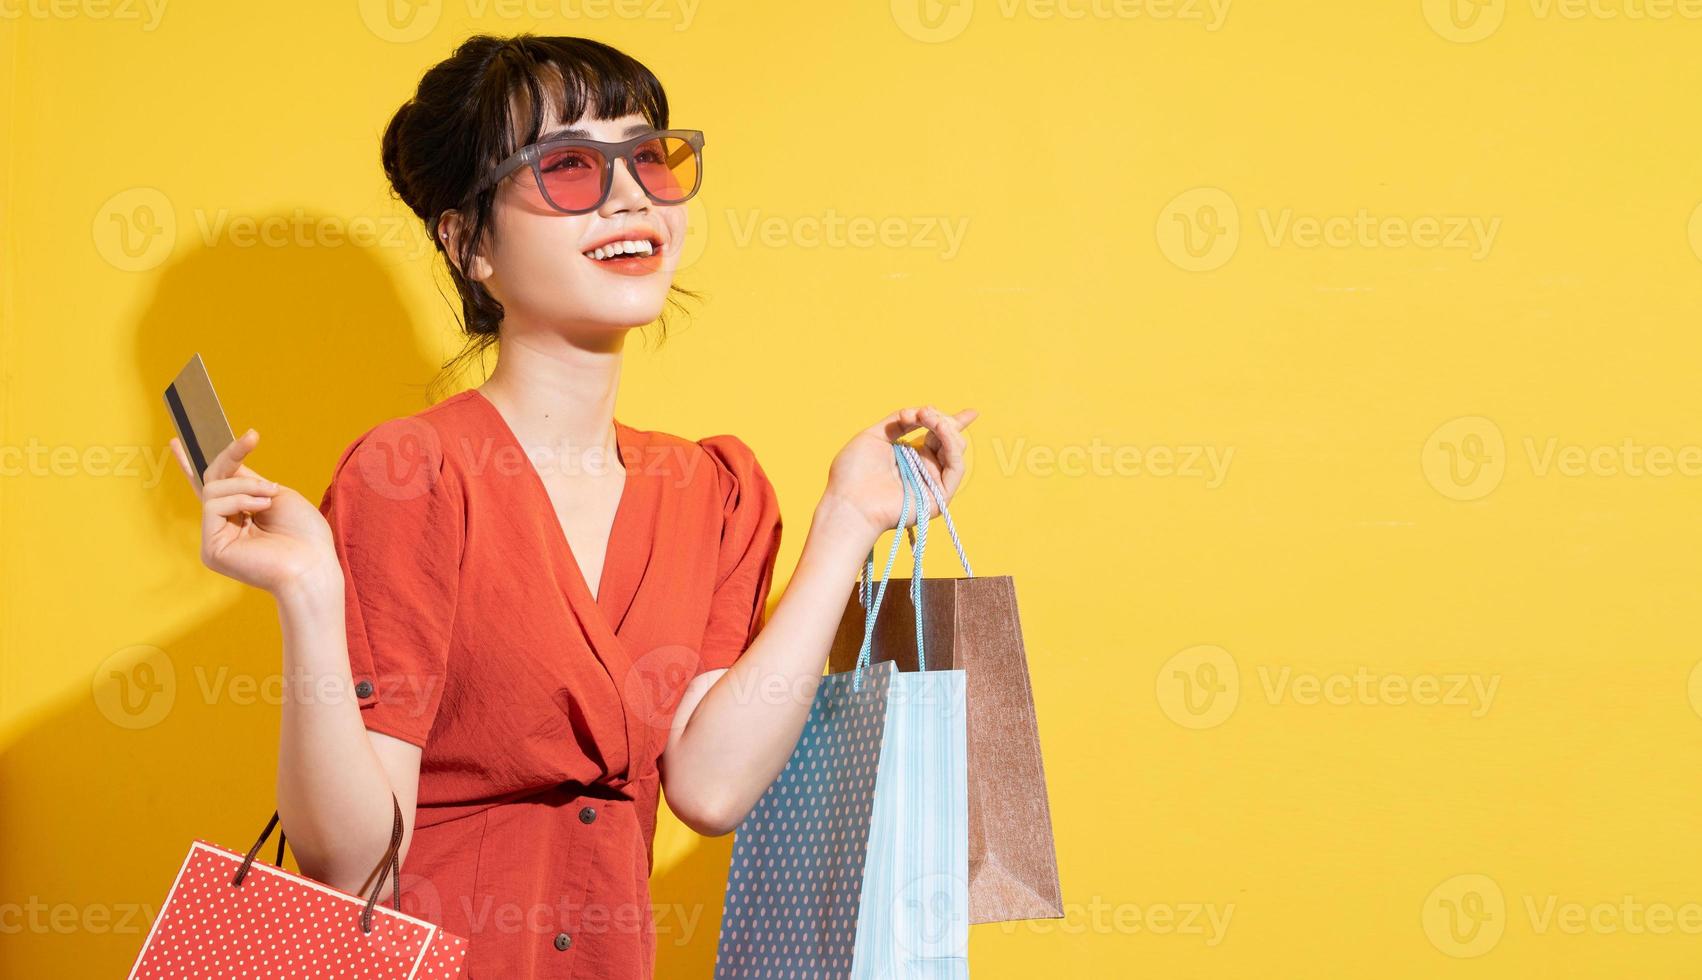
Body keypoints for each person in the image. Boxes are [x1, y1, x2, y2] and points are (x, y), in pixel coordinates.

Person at [167, 32, 975, 979]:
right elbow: (348, 869)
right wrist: (308, 593)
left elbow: (712, 789)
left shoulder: (713, 492)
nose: (630, 195)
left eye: (650, 159)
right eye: (568, 168)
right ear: (469, 244)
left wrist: (848, 519)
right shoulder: (414, 473)